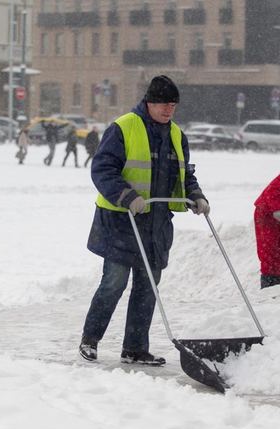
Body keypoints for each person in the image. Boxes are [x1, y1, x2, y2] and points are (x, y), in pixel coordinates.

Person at [79, 75, 209, 366]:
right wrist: (126, 196)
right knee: (114, 282)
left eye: (173, 105)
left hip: (157, 224)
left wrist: (196, 195)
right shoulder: (124, 127)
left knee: (148, 286)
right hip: (122, 221)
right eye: (163, 104)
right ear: (149, 102)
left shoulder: (177, 134)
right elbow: (102, 169)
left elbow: (184, 173)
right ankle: (90, 339)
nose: (168, 110)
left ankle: (135, 348)